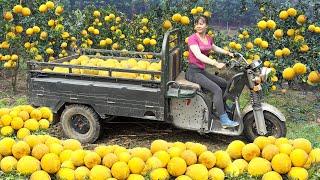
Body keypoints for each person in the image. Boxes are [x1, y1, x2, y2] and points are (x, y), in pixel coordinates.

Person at [186, 15, 239, 128]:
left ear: (206, 25)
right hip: (193, 72)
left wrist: (228, 53)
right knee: (217, 90)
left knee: (224, 84)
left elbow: (214, 47)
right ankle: (224, 120)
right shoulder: (192, 38)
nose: (198, 26)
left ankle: (221, 107)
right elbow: (198, 55)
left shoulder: (208, 38)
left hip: (201, 71)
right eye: (196, 24)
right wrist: (215, 63)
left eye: (201, 23)